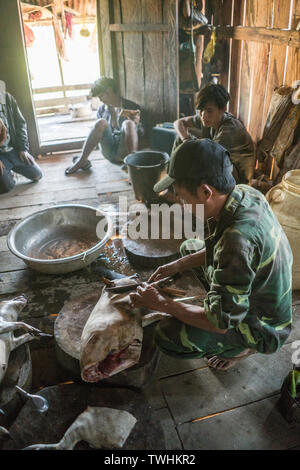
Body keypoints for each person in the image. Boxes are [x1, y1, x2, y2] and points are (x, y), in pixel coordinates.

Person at [129, 139, 293, 371]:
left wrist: (161, 303)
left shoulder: (236, 242)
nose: (180, 204)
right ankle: (220, 300)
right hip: (255, 288)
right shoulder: (245, 193)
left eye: (182, 198)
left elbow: (220, 324)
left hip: (264, 326)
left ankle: (243, 348)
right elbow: (222, 247)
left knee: (167, 336)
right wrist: (176, 266)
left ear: (206, 191)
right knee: (189, 248)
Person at [173, 83, 256, 184]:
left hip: (238, 178)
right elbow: (178, 123)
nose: (203, 115)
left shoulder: (230, 130)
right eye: (201, 110)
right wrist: (186, 139)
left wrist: (188, 146)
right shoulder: (209, 118)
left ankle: (182, 185)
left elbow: (208, 158)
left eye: (209, 110)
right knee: (181, 138)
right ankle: (174, 179)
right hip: (221, 163)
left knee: (199, 161)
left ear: (223, 109)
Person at [65, 77, 144, 175]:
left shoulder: (131, 107)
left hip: (125, 151)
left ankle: (133, 163)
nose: (101, 100)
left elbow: (141, 134)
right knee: (100, 122)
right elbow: (98, 134)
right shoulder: (102, 110)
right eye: (99, 97)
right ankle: (82, 160)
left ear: (109, 90)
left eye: (102, 96)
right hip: (108, 150)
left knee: (128, 124)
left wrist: (135, 124)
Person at [0, 82, 42, 195]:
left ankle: (10, 169)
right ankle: (7, 174)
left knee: (37, 175)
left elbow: (20, 124)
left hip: (12, 149)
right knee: (7, 186)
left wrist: (23, 148)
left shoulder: (7, 98)